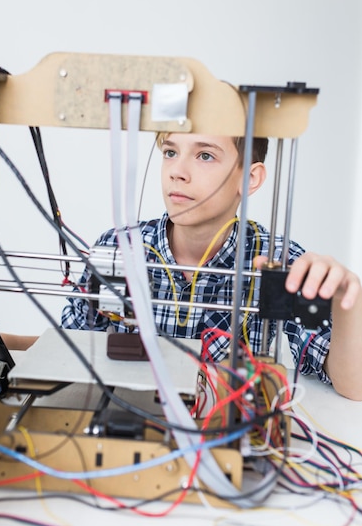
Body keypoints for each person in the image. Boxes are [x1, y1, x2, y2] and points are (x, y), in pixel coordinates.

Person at [60, 131, 362, 401]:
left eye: (205, 155)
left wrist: (348, 301)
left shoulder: (277, 262)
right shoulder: (118, 248)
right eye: (170, 152)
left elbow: (353, 385)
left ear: (249, 179)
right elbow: (67, 354)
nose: (177, 172)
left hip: (225, 442)